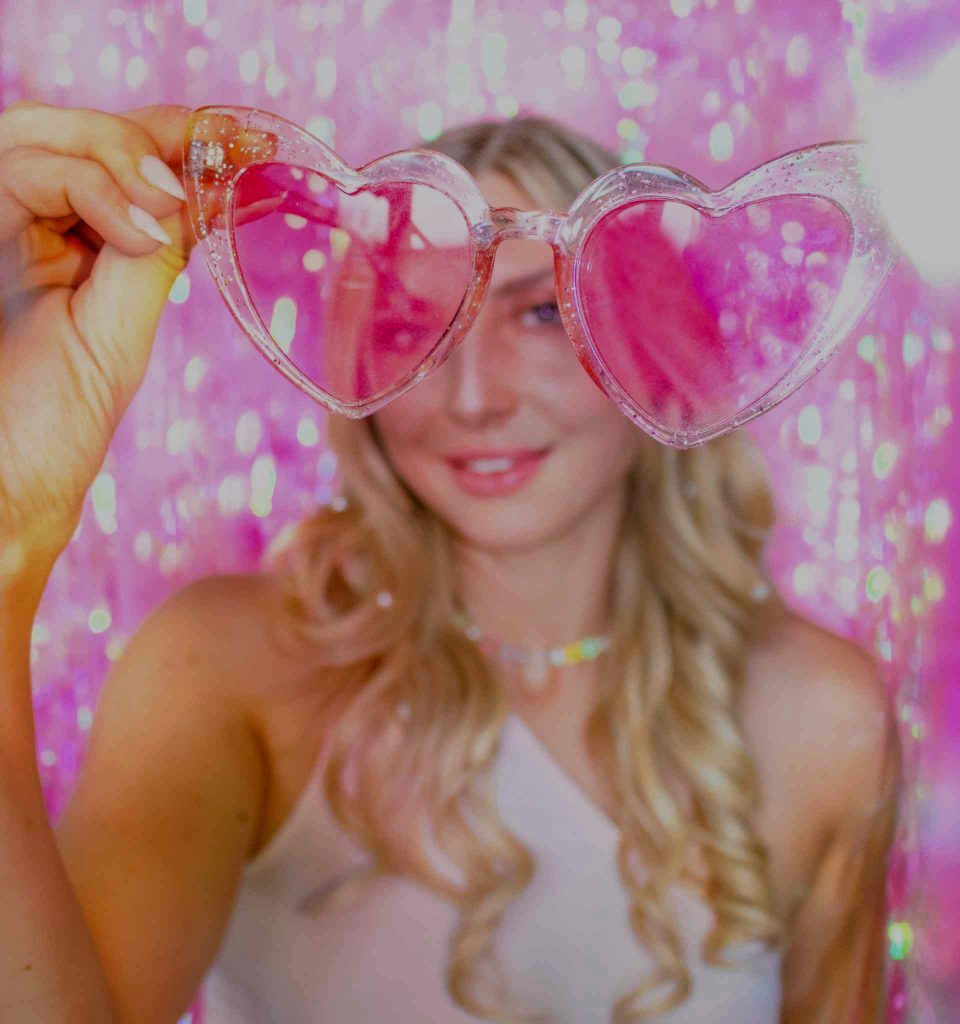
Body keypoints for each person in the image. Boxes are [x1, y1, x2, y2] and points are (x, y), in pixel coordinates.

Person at [0, 100, 902, 1024]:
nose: (471, 398)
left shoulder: (823, 719)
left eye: (544, 312)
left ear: (656, 340)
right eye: (412, 321)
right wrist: (9, 541)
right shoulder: (227, 670)